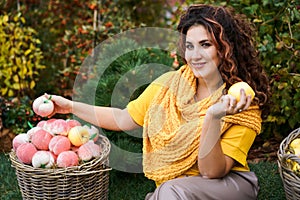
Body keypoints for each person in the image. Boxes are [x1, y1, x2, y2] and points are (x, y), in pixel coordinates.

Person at [44, 4, 270, 200]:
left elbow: (212, 172)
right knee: (170, 191)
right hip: (176, 188)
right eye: (190, 46)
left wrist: (213, 116)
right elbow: (123, 118)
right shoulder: (170, 85)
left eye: (206, 44)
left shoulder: (241, 103)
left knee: (171, 191)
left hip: (226, 184)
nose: (195, 55)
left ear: (225, 48)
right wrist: (70, 106)